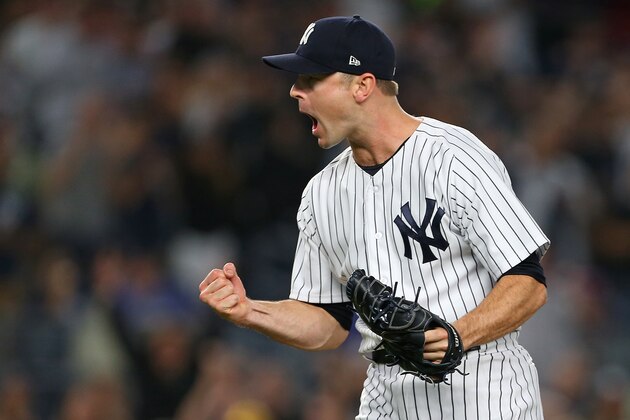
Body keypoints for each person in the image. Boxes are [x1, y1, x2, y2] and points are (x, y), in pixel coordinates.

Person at [199, 15, 550, 419]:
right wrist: (249, 311)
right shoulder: (322, 193)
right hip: (386, 393)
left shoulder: (454, 158)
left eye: (311, 79)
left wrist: (457, 335)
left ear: (362, 85)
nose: (295, 91)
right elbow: (329, 323)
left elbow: (528, 282)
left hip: (483, 388)